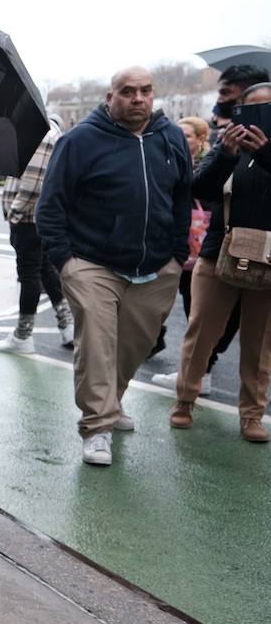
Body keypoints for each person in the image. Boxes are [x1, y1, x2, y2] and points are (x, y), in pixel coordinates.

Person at [36, 66, 191, 466]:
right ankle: (97, 426)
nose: (138, 98)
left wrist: (176, 255)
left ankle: (112, 402)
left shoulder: (171, 138)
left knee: (134, 344)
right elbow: (50, 205)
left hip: (157, 266)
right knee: (98, 344)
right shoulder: (80, 141)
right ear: (110, 97)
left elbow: (181, 199)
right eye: (127, 91)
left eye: (145, 90)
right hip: (92, 263)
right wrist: (65, 262)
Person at [169, 82, 271, 441]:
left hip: (268, 261)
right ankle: (184, 401)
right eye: (252, 109)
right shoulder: (225, 146)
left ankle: (252, 415)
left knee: (260, 346)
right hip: (218, 255)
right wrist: (227, 154)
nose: (260, 116)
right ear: (239, 112)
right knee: (201, 334)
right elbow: (198, 189)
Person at [0, 115, 74, 354]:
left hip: (29, 218)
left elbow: (33, 181)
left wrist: (15, 213)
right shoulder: (48, 133)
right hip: (40, 217)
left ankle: (23, 335)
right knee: (45, 270)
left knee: (29, 275)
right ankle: (67, 323)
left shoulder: (42, 133)